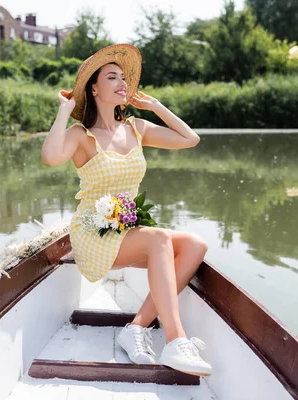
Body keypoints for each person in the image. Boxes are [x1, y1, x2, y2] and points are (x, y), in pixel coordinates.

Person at [41, 44, 212, 377]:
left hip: (127, 228)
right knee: (159, 238)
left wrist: (156, 106)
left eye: (124, 77)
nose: (122, 83)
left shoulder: (137, 128)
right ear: (94, 88)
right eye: (112, 77)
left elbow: (190, 139)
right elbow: (50, 156)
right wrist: (65, 110)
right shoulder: (81, 136)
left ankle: (135, 327)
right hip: (93, 231)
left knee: (195, 245)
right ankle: (177, 341)